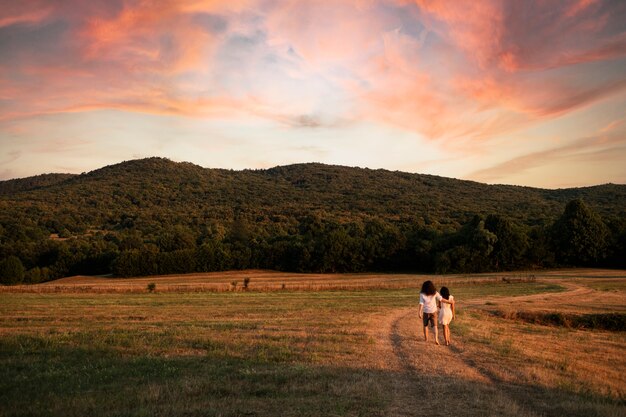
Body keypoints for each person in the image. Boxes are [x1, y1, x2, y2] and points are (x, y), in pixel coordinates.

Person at [418, 280, 442, 344]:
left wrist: (419, 312)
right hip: (433, 311)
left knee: (425, 325)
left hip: (426, 312)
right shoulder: (434, 292)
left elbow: (421, 303)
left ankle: (426, 339)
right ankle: (436, 339)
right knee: (435, 326)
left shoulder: (422, 294)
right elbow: (440, 298)